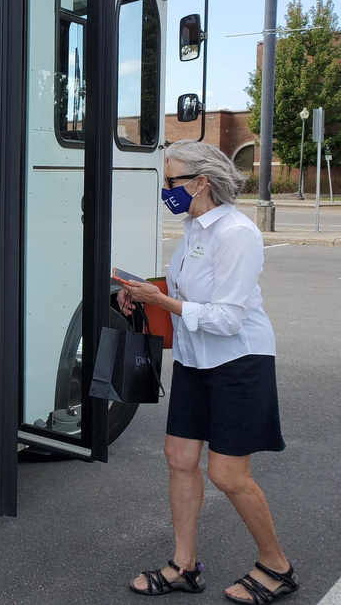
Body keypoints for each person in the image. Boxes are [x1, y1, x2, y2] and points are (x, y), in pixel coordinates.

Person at [120, 141, 299, 603]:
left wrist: (160, 302)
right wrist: (142, 294)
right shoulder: (193, 226)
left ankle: (276, 566)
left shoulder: (236, 233)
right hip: (196, 360)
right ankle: (183, 566)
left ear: (201, 182)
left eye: (172, 180)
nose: (166, 189)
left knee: (228, 474)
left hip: (240, 362)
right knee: (179, 457)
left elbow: (228, 317)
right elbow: (184, 288)